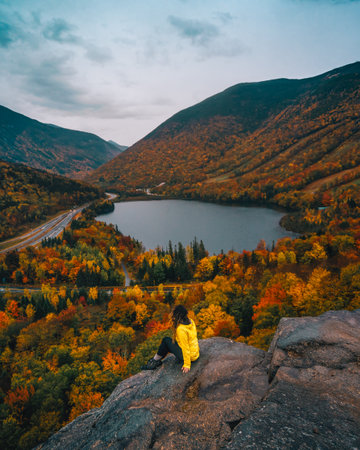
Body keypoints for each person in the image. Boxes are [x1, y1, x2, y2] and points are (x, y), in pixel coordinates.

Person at [142, 305, 200, 373]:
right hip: (195, 354)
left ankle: (154, 362)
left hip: (190, 357)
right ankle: (156, 361)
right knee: (170, 341)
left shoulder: (181, 329)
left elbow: (185, 347)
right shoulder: (191, 321)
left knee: (166, 341)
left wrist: (187, 365)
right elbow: (193, 338)